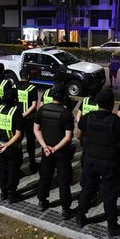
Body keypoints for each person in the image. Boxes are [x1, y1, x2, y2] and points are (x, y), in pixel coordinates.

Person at [76, 89, 120, 236]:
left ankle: (80, 218)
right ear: (112, 104)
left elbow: (78, 135)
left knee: (87, 189)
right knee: (109, 195)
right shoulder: (119, 123)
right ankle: (112, 227)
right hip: (110, 164)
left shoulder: (87, 117)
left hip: (90, 160)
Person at [34, 85, 75, 220]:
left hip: (46, 151)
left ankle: (41, 201)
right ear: (63, 97)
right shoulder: (66, 114)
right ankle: (65, 209)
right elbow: (68, 137)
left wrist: (45, 147)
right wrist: (55, 148)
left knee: (45, 176)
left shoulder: (42, 110)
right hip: (61, 152)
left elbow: (36, 130)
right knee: (63, 180)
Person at [0, 88, 24, 202]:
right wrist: (7, 145)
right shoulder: (17, 113)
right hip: (12, 148)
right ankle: (11, 194)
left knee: (3, 169)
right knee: (13, 170)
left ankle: (3, 192)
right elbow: (18, 135)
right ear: (15, 100)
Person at [16, 67, 39, 173]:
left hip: (17, 118)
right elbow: (34, 106)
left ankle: (18, 165)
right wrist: (24, 115)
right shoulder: (32, 88)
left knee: (18, 141)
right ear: (28, 76)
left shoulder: (14, 86)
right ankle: (32, 164)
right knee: (30, 142)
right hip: (29, 119)